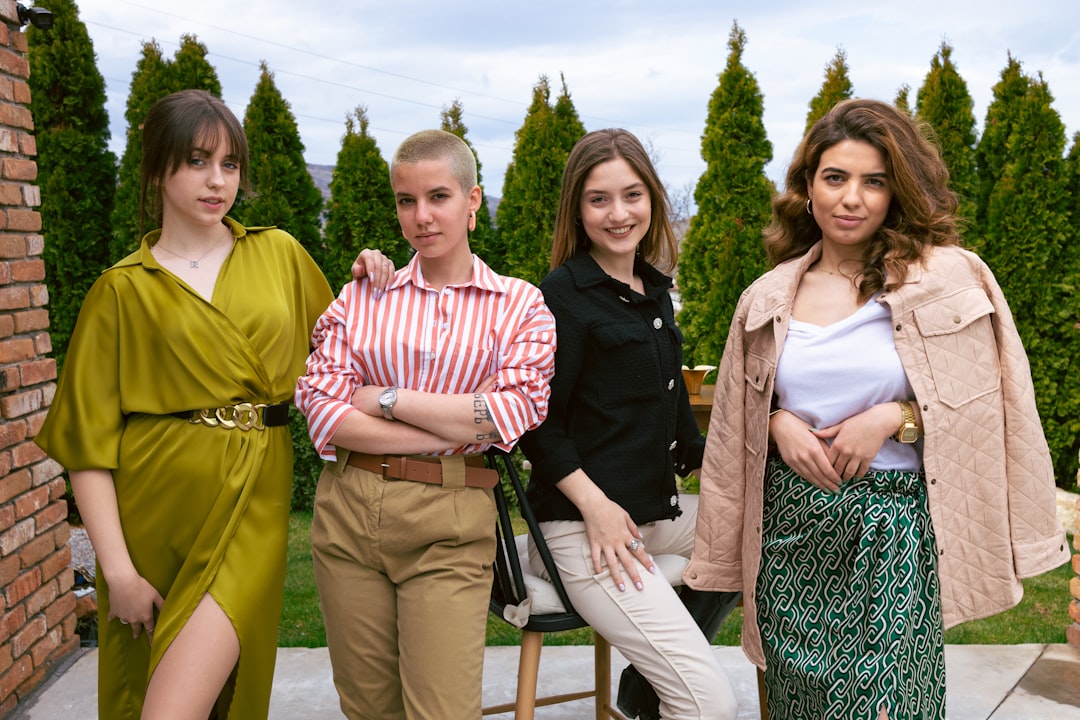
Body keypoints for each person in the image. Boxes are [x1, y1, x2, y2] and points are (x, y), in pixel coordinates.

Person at [684, 98, 1070, 720]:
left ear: (897, 192)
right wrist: (779, 422)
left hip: (892, 530)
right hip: (792, 531)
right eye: (835, 178)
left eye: (874, 181)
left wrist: (896, 417)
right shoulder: (765, 298)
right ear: (807, 187)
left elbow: (994, 406)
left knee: (887, 706)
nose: (851, 198)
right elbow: (735, 423)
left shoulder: (950, 278)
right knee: (802, 704)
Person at [32, 89, 389, 720]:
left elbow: (349, 352)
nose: (217, 180)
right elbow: (86, 444)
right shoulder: (120, 289)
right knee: (155, 689)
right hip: (152, 510)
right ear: (158, 166)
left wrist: (371, 278)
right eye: (197, 161)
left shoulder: (277, 253)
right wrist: (116, 571)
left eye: (229, 165)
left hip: (254, 494)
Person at [295, 128, 557, 719]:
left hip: (449, 515)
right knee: (368, 708)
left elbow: (512, 414)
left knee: (442, 711)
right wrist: (457, 427)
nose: (421, 217)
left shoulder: (519, 305)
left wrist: (383, 397)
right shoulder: (364, 295)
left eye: (438, 197)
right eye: (406, 200)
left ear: (471, 201)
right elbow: (321, 405)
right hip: (348, 510)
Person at [517, 128, 739, 720]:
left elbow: (676, 426)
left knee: (756, 529)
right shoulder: (562, 296)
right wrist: (596, 508)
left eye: (632, 195)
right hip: (579, 526)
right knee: (710, 704)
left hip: (649, 514)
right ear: (577, 208)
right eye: (599, 199)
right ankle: (670, 689)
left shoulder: (653, 290)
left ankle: (644, 688)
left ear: (653, 199)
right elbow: (537, 427)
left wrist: (742, 453)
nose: (618, 214)